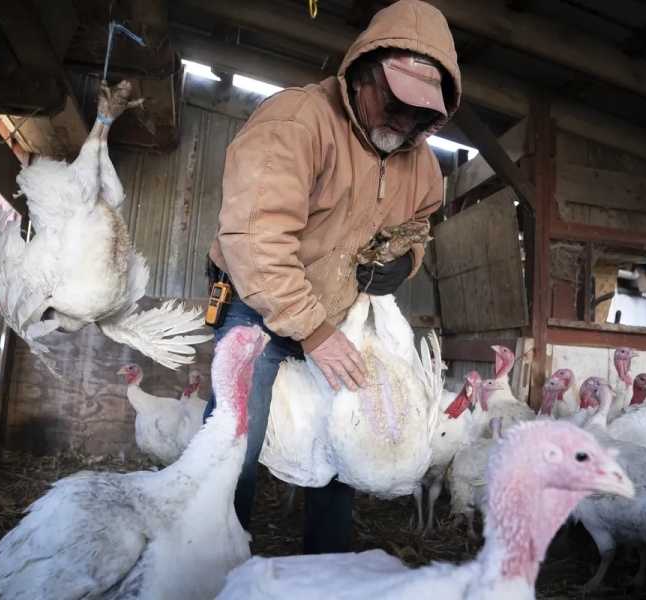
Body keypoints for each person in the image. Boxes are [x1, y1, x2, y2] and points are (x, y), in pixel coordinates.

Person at [203, 0, 461, 555]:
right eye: (395, 101)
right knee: (235, 440)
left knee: (349, 435)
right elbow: (256, 239)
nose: (404, 120)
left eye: (421, 113)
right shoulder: (297, 122)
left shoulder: (422, 162)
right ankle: (213, 561)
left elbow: (419, 224)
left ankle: (326, 566)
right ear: (364, 73)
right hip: (260, 303)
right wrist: (312, 331)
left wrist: (403, 261)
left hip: (342, 307)